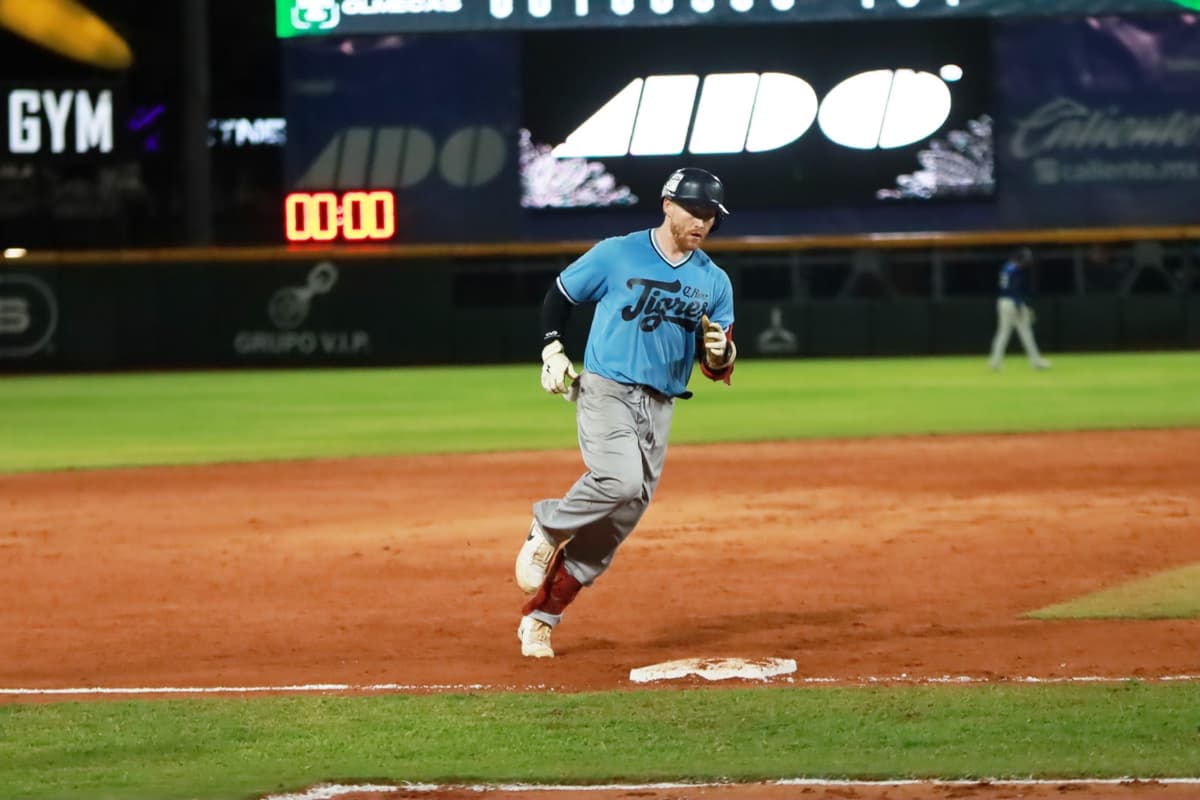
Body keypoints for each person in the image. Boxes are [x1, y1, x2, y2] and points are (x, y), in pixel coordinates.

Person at [513, 167, 738, 658]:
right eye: (694, 211)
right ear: (667, 205)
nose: (702, 223)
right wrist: (552, 350)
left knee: (615, 525)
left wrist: (720, 355)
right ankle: (548, 525)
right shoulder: (618, 253)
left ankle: (541, 617)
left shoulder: (714, 282)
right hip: (606, 389)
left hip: (659, 407)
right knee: (619, 480)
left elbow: (714, 362)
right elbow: (561, 296)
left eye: (710, 217)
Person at [988, 246, 1051, 371]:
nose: (1027, 262)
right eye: (1025, 259)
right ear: (1020, 258)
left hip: (1002, 301)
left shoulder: (1006, 267)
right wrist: (1021, 306)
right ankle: (1036, 362)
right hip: (1012, 302)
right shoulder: (1015, 269)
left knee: (1003, 333)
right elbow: (1014, 289)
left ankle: (995, 362)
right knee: (1026, 333)